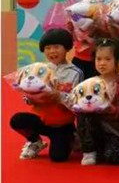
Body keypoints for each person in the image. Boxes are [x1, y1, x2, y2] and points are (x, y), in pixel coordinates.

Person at [10, 28, 83, 162]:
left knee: (58, 157)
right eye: (48, 48)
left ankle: (72, 137)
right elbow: (28, 93)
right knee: (17, 120)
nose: (52, 51)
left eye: (56, 47)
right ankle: (35, 141)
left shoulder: (75, 73)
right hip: (41, 120)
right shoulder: (39, 69)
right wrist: (30, 98)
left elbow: (77, 102)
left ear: (67, 48)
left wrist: (59, 96)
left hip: (62, 124)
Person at [77, 38, 119, 166]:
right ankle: (89, 150)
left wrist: (112, 110)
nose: (102, 63)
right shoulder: (89, 83)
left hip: (116, 131)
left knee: (113, 157)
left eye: (108, 59)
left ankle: (105, 149)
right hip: (94, 129)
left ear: (117, 61)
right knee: (82, 112)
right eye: (98, 59)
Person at [68, 0, 109, 79]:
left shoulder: (108, 10)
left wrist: (99, 27)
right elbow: (71, 35)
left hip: (101, 60)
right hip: (79, 58)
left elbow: (111, 36)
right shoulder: (75, 9)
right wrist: (70, 27)